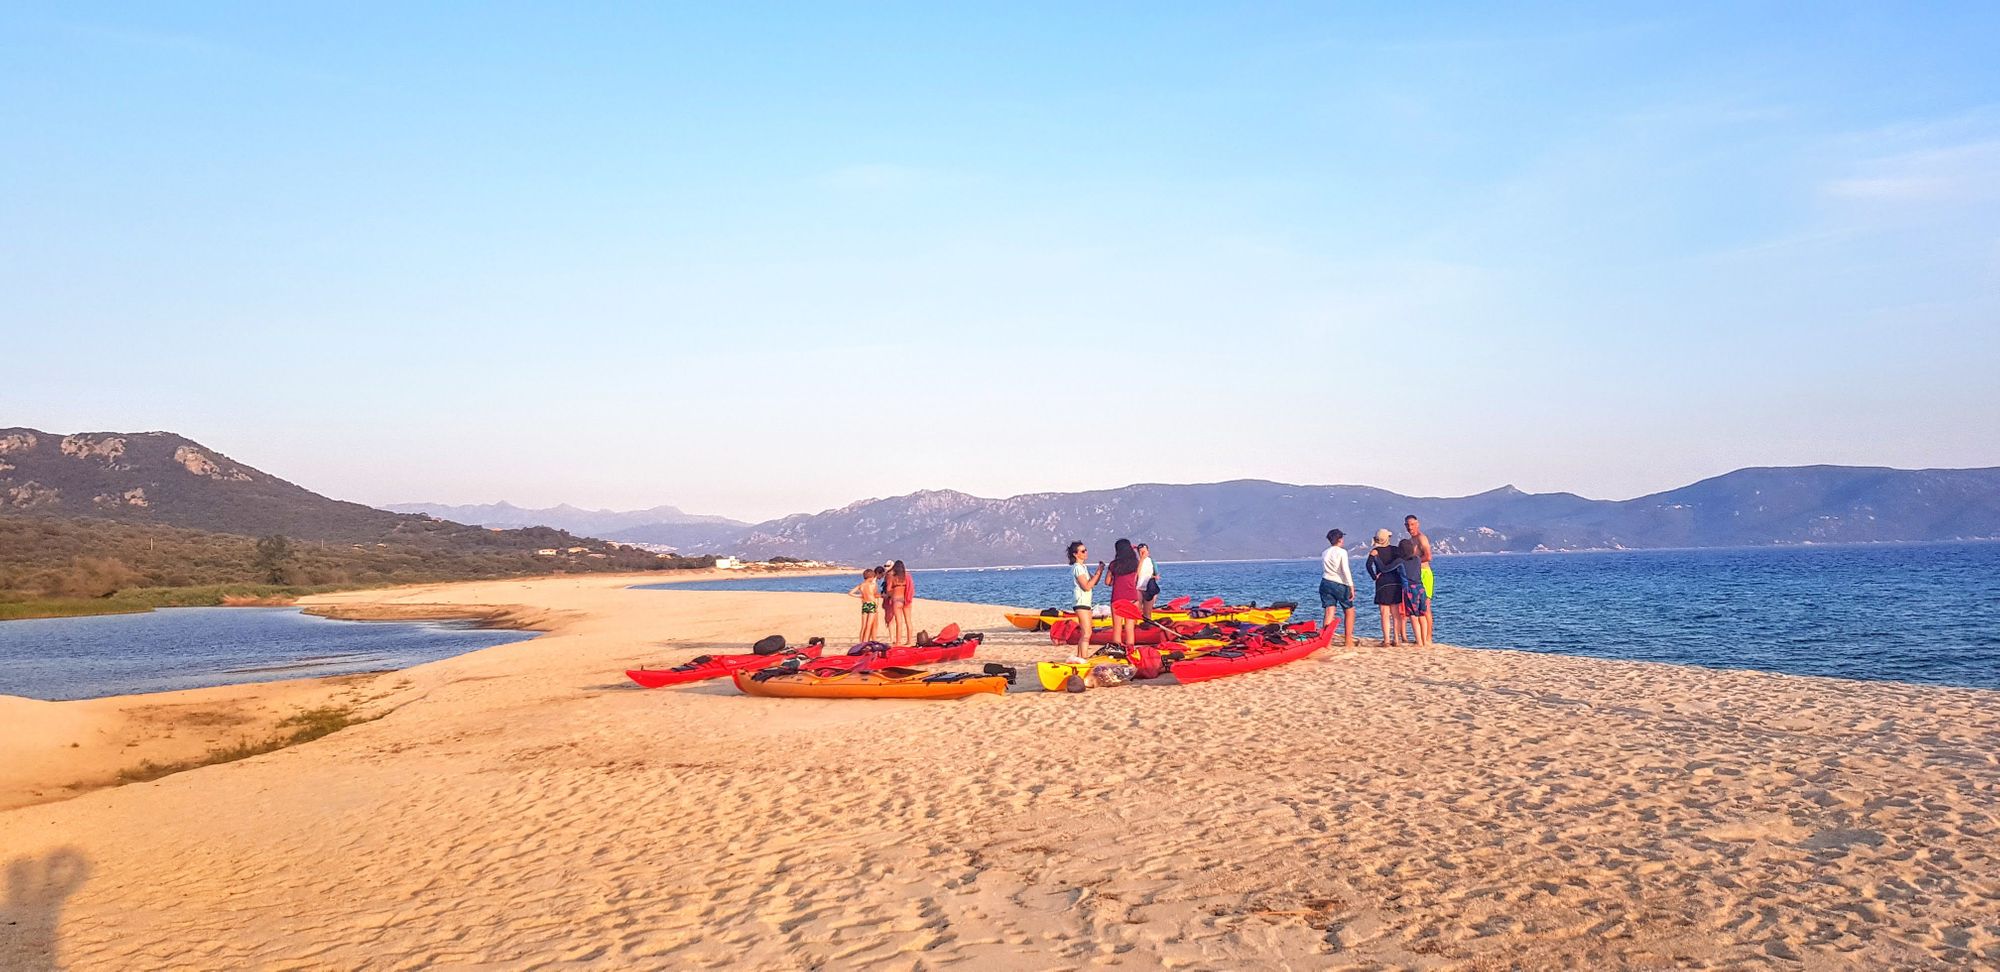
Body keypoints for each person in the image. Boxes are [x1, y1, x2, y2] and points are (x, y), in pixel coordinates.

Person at [1365, 529, 1404, 647]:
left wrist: (1374, 577)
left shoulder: (1375, 551)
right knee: (1396, 613)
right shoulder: (1395, 550)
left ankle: (1386, 640)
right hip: (1396, 581)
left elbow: (1368, 565)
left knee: (1384, 613)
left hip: (1382, 582)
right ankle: (1396, 639)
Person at [1065, 541, 1108, 649]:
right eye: (1083, 551)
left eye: (1086, 550)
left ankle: (1081, 657)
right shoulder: (1077, 568)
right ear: (1075, 554)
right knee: (1086, 633)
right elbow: (1086, 586)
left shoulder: (1083, 567)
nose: (1085, 553)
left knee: (1086, 632)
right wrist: (1098, 573)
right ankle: (1082, 657)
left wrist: (1100, 571)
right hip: (1081, 602)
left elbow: (1094, 582)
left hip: (1086, 603)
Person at [1319, 529, 1356, 647]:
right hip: (1339, 583)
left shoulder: (1324, 552)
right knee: (1349, 610)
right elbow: (1345, 570)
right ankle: (1348, 639)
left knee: (1329, 611)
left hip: (1325, 582)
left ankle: (1326, 641)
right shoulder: (1342, 552)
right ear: (1339, 539)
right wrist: (1351, 586)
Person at [1107, 539, 1142, 649]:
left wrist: (1115, 581)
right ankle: (1130, 650)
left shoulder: (1114, 565)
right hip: (1132, 598)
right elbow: (1137, 578)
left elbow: (1107, 582)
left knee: (1117, 628)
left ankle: (1117, 650)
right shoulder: (1135, 564)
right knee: (1129, 628)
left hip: (1117, 598)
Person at [1405, 514, 1434, 643]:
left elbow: (1428, 556)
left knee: (1426, 606)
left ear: (1417, 524)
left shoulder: (1422, 538)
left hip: (1424, 573)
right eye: (1407, 525)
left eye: (1412, 524)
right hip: (1414, 575)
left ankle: (1428, 638)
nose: (1410, 527)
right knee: (1416, 607)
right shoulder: (1410, 541)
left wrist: (1414, 563)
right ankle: (1421, 638)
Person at [1397, 538, 1431, 646]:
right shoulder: (1417, 559)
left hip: (1410, 590)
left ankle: (1419, 642)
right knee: (1422, 614)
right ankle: (1425, 640)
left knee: (1413, 615)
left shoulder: (1401, 562)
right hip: (1421, 588)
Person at [848, 567, 882, 644]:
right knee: (869, 625)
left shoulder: (861, 585)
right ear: (871, 577)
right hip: (871, 604)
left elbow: (850, 593)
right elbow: (875, 595)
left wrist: (861, 596)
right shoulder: (873, 585)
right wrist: (883, 595)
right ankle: (865, 642)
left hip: (865, 604)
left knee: (863, 626)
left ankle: (861, 642)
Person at [885, 560, 915, 646]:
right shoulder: (907, 576)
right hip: (906, 599)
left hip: (896, 599)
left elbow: (888, 590)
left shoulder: (892, 577)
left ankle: (898, 641)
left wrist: (893, 592)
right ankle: (909, 640)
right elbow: (911, 588)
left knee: (899, 622)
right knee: (908, 621)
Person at [1135, 543, 1161, 620]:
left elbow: (1156, 575)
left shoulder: (1151, 561)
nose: (1142, 553)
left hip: (1149, 588)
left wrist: (1153, 577)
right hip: (1138, 588)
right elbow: (1137, 574)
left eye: (1144, 551)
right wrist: (1142, 559)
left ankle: (1147, 624)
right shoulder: (1137, 562)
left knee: (1147, 612)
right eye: (1140, 551)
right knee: (1137, 612)